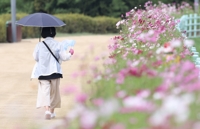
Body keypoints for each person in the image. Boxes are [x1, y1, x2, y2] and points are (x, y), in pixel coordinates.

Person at [31, 27, 74, 120]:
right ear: (54, 33)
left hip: (43, 73)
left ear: (43, 33)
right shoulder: (58, 44)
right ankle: (52, 112)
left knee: (45, 92)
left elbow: (36, 58)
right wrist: (70, 53)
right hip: (55, 72)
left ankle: (46, 110)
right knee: (54, 93)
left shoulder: (39, 45)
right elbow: (64, 57)